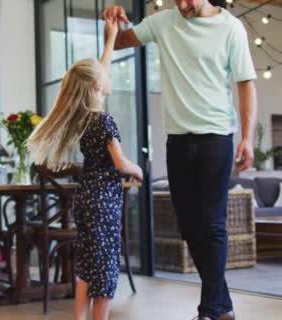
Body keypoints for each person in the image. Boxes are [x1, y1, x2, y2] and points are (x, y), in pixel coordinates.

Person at [103, 1, 258, 319]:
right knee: (189, 227)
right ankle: (224, 306)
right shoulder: (163, 22)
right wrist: (114, 18)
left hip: (216, 139)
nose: (183, 4)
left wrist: (247, 136)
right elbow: (120, 41)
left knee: (212, 224)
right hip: (177, 141)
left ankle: (210, 309)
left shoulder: (231, 28)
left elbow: (245, 85)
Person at [27, 17, 143, 320]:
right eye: (104, 75)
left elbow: (97, 71)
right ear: (97, 85)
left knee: (88, 267)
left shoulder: (83, 120)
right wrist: (138, 169)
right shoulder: (103, 121)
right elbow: (120, 163)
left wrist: (110, 39)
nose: (109, 76)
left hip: (87, 200)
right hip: (104, 203)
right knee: (104, 270)